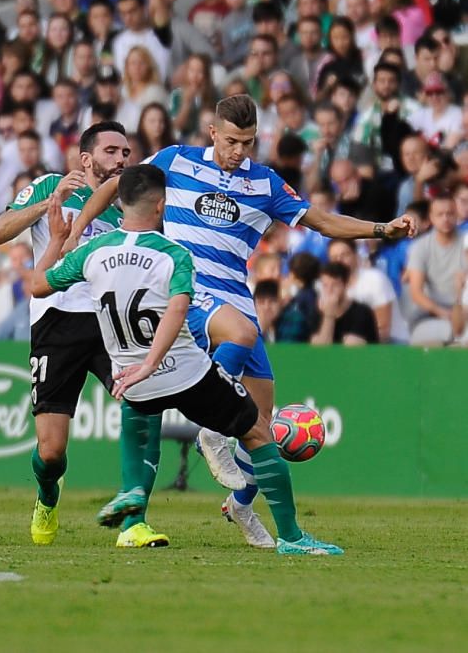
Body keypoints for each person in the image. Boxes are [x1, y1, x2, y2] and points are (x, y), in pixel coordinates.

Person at [64, 94, 415, 547]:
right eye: (231, 141)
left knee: (260, 422)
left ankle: (243, 507)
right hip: (187, 292)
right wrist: (76, 231)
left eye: (248, 143)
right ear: (212, 133)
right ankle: (209, 433)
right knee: (230, 346)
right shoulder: (176, 160)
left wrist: (383, 229)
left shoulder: (265, 184)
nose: (239, 152)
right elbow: (118, 187)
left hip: (235, 297)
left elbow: (323, 223)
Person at [32, 164, 343, 556]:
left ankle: (132, 493)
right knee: (259, 433)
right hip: (184, 372)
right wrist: (152, 362)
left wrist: (57, 241)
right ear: (161, 207)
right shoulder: (174, 254)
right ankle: (293, 538)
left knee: (139, 422)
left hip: (132, 378)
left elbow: (37, 285)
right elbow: (178, 311)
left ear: (120, 203)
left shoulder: (94, 251)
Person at [0, 122, 167, 548]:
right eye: (111, 151)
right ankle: (47, 495)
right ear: (86, 159)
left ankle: (134, 521)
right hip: (56, 321)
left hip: (111, 321)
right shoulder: (51, 185)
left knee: (144, 401)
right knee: (50, 452)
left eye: (126, 153)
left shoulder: (130, 205)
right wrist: (49, 204)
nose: (122, 160)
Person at [406, 193, 465, 346]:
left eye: (450, 213)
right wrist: (443, 313)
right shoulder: (420, 247)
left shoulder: (466, 243)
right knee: (428, 341)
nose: (445, 218)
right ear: (431, 217)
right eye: (440, 214)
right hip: (431, 312)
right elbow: (416, 293)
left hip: (464, 309)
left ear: (457, 214)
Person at [310, 262, 379, 345]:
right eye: (325, 285)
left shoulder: (361, 312)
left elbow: (354, 346)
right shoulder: (316, 311)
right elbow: (320, 350)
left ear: (346, 285)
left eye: (335, 285)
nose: (329, 290)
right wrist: (329, 315)